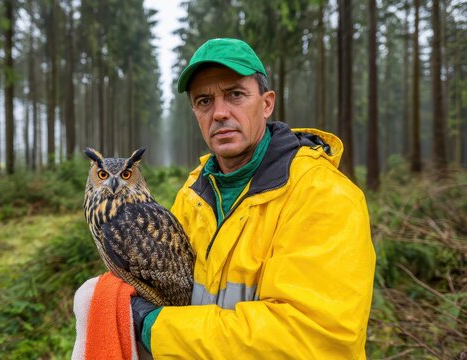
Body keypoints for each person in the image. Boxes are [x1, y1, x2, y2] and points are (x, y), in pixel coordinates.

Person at [132, 38, 376, 359]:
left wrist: (153, 327)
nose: (219, 113)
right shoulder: (194, 193)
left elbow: (312, 340)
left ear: (266, 104)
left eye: (235, 94)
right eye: (204, 101)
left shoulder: (323, 195)